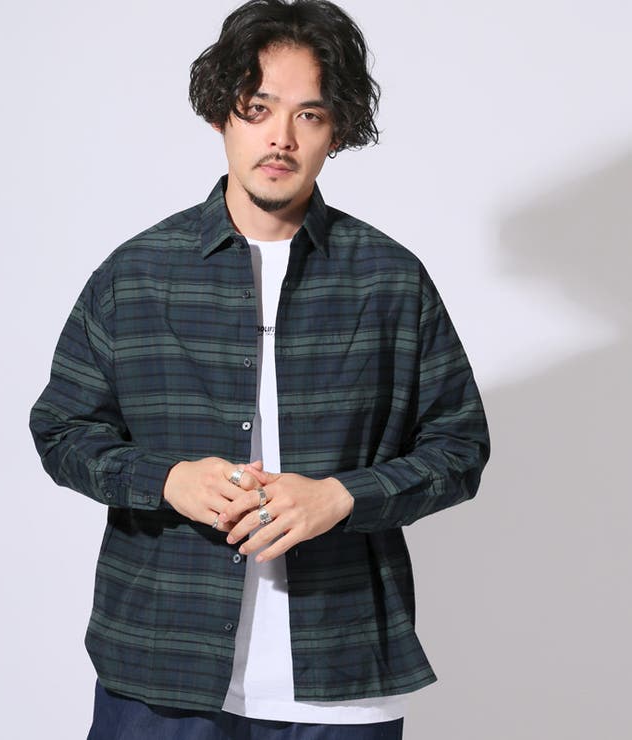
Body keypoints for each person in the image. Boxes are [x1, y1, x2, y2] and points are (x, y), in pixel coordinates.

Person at [29, 1, 490, 737]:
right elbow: (62, 430)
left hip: (341, 671)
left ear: (337, 129)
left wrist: (341, 497)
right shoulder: (137, 274)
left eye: (309, 115)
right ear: (224, 115)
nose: (281, 137)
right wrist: (167, 480)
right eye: (259, 108)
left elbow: (459, 447)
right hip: (161, 666)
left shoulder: (390, 280)